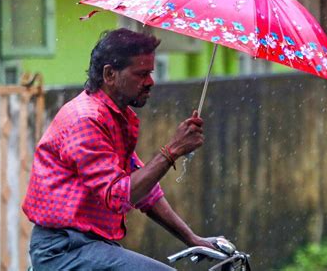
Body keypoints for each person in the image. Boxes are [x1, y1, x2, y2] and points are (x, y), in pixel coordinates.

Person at [22, 28, 216, 270]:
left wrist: (192, 239)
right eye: (141, 74)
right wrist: (173, 149)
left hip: (92, 246)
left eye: (151, 73)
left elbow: (146, 192)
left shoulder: (113, 118)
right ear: (110, 74)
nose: (150, 82)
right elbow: (120, 195)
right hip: (63, 251)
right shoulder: (86, 120)